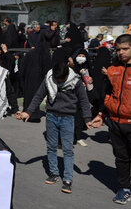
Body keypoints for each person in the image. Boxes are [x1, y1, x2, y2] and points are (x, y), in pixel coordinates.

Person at [17, 61, 92, 194]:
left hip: (68, 119)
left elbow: (84, 100)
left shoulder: (75, 81)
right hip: (51, 116)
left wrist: (87, 118)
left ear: (67, 75)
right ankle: (54, 173)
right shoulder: (49, 78)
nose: (58, 82)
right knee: (51, 146)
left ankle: (68, 180)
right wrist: (27, 112)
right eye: (56, 79)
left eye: (61, 79)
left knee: (67, 149)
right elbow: (38, 96)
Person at [89, 34, 131, 204]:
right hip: (115, 122)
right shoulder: (113, 70)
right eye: (118, 49)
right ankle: (124, 189)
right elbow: (107, 96)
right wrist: (101, 115)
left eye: (125, 49)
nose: (121, 52)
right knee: (121, 158)